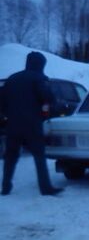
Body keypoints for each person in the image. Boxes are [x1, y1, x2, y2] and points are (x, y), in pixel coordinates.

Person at [1, 52, 63, 196]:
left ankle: (5, 187)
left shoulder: (12, 79)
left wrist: (9, 115)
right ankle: (45, 188)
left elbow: (2, 101)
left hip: (13, 124)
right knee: (39, 156)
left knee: (10, 156)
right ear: (41, 64)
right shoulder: (39, 78)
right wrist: (51, 102)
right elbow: (46, 96)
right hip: (32, 124)